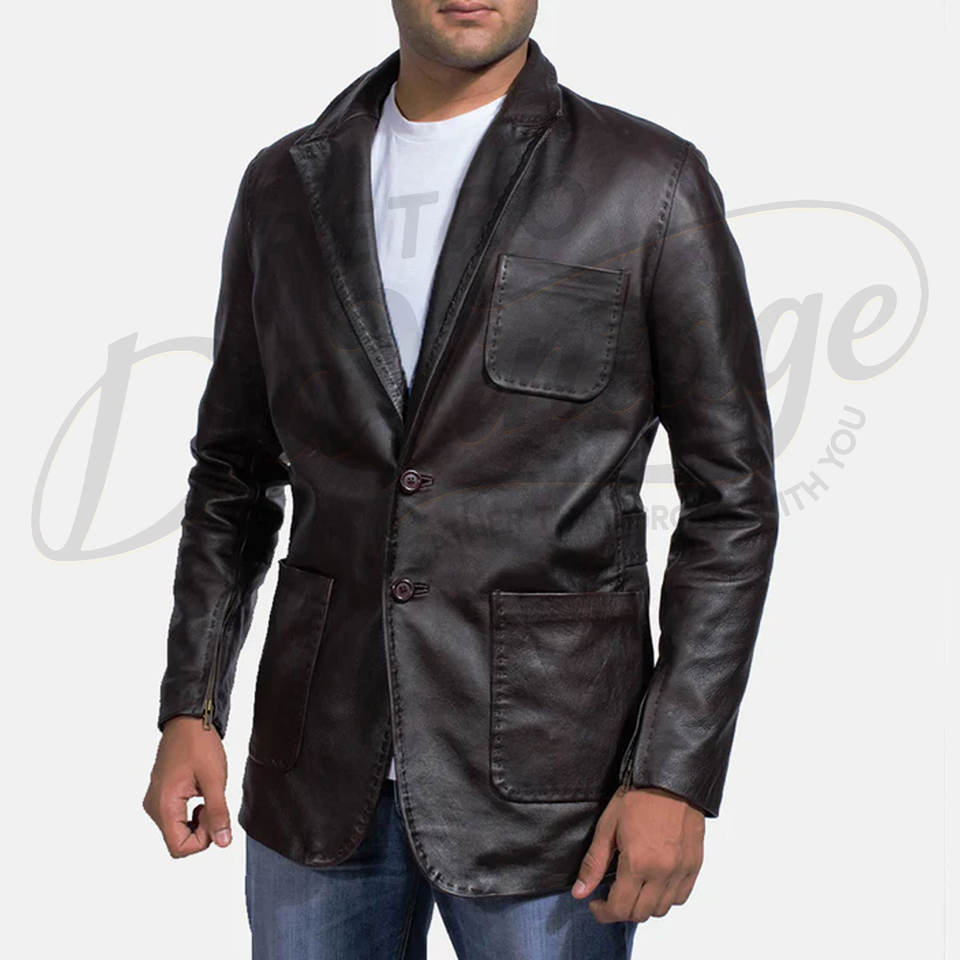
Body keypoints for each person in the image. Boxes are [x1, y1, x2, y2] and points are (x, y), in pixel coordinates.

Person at [142, 1, 780, 957]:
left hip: (553, 784)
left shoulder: (647, 182)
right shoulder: (285, 184)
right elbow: (233, 470)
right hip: (318, 765)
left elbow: (733, 503)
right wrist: (191, 706)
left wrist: (672, 771)